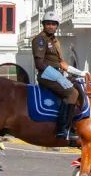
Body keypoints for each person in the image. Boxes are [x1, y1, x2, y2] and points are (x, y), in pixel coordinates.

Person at [31, 12, 83, 140]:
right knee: (72, 94)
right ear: (43, 25)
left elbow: (61, 63)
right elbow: (39, 64)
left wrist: (81, 73)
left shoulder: (54, 40)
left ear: (57, 26)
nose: (51, 26)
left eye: (53, 24)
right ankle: (62, 129)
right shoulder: (40, 40)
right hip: (46, 76)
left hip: (56, 74)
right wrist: (58, 76)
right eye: (48, 23)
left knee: (79, 86)